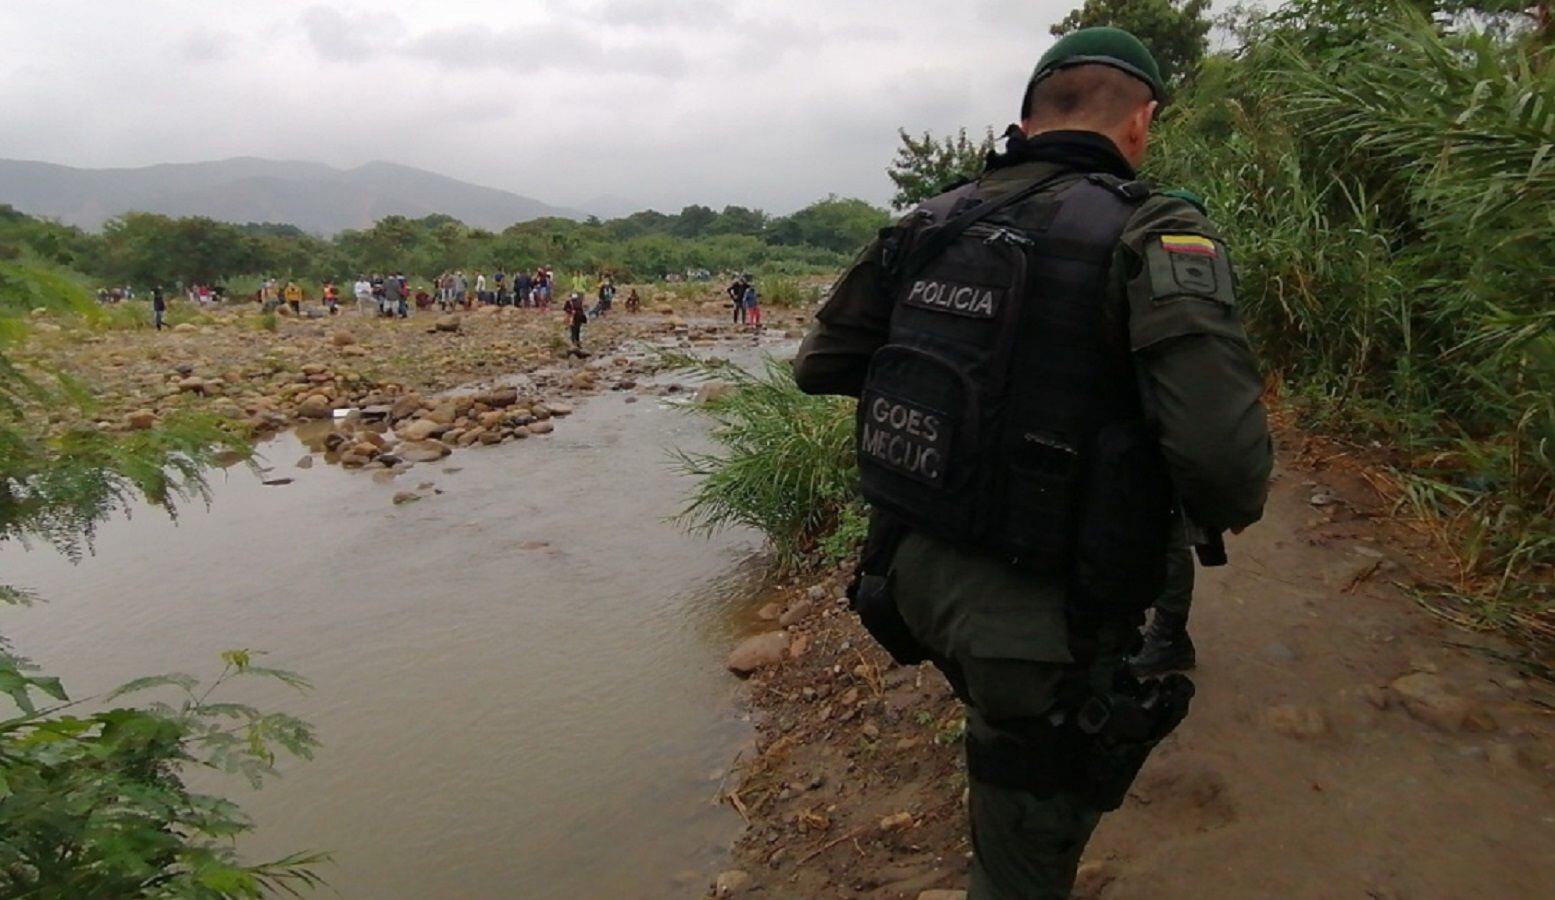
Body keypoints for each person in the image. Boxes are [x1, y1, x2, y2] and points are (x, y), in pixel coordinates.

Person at [792, 27, 1272, 898]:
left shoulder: (930, 221)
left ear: (1027, 117)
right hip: (1036, 611)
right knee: (1021, 861)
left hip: (904, 572)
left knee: (1003, 753)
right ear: (1141, 123)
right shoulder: (1153, 230)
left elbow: (820, 365)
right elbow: (1226, 469)